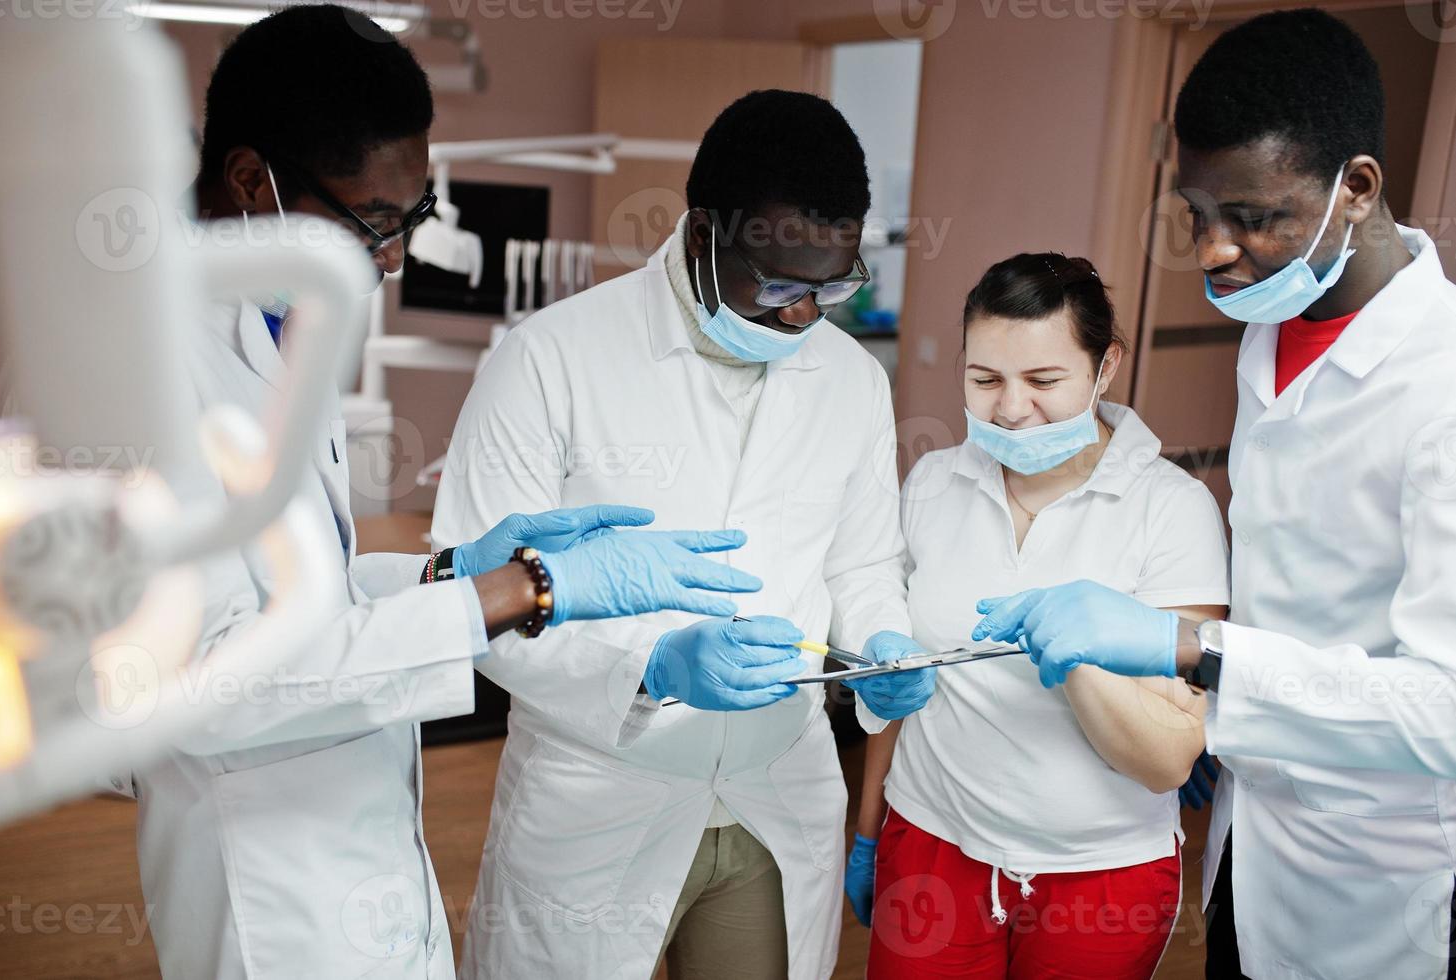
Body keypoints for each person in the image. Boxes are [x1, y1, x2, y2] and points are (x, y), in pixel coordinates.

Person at [22, 8, 773, 978]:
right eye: (377, 222)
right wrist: (519, 591)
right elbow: (199, 683)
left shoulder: (282, 315)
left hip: (364, 843)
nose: (392, 258)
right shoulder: (136, 371)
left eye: (412, 220)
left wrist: (451, 567)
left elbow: (305, 586)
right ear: (254, 181)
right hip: (269, 894)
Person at [974, 11, 1456, 979]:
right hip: (1252, 819)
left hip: (1382, 863)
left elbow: (1443, 712)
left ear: (1355, 189)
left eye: (1254, 216)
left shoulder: (1440, 386)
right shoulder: (1273, 324)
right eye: (1197, 212)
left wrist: (1192, 649)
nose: (1212, 251)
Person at [431, 89, 936, 980]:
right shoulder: (550, 359)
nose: (801, 315)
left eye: (832, 285)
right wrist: (651, 668)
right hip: (599, 793)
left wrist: (882, 642)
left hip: (776, 789)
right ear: (701, 234)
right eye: (778, 283)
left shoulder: (851, 380)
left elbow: (859, 561)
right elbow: (472, 607)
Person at [846, 253, 1228, 978]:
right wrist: (870, 831)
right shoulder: (933, 481)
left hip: (1098, 876)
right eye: (984, 379)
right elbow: (899, 682)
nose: (1011, 408)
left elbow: (1166, 761)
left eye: (1044, 381)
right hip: (929, 842)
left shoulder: (1171, 510)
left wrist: (1078, 654)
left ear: (1105, 367)